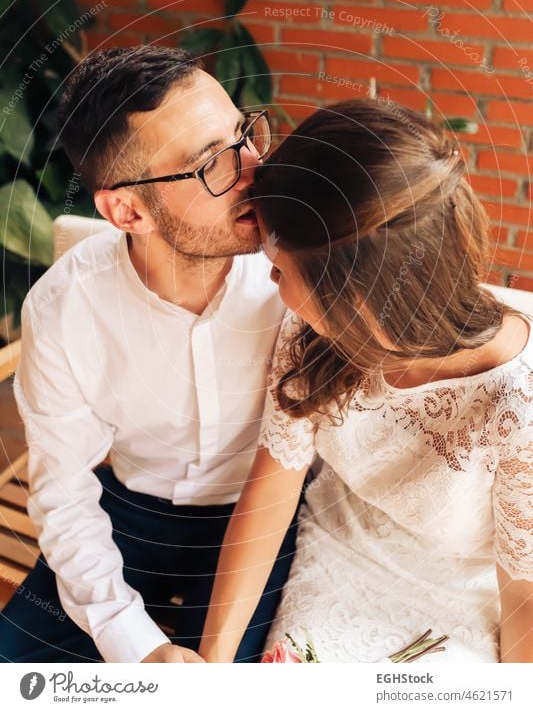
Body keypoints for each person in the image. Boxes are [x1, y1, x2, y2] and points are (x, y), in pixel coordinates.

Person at [198, 98, 533, 664]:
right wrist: (210, 666)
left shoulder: (515, 408)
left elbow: (522, 596)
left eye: (280, 269)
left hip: (466, 599)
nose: (270, 280)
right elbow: (271, 495)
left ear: (357, 298)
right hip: (336, 547)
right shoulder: (310, 335)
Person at [0, 45, 301, 664]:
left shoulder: (301, 278)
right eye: (212, 162)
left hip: (262, 524)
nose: (254, 167)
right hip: (121, 523)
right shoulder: (65, 308)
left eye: (244, 133)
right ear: (127, 209)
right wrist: (134, 644)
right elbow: (64, 492)